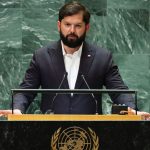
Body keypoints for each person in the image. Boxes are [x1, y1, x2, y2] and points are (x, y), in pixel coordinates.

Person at [0, 1, 149, 117]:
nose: (72, 31)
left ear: (87, 27)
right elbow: (26, 90)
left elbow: (119, 91)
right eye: (67, 25)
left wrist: (131, 110)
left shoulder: (102, 57)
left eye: (78, 25)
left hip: (91, 134)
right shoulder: (42, 56)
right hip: (49, 133)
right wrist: (17, 109)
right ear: (59, 25)